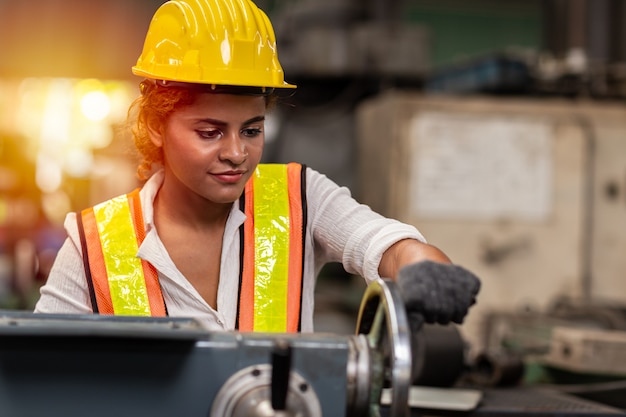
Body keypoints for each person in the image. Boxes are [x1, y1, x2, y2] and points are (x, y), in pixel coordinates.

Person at [34, 0, 480, 333]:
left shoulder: (300, 198)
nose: (236, 153)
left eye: (251, 130)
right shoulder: (92, 246)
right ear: (155, 125)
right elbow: (37, 374)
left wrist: (425, 268)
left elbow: (387, 246)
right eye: (209, 132)